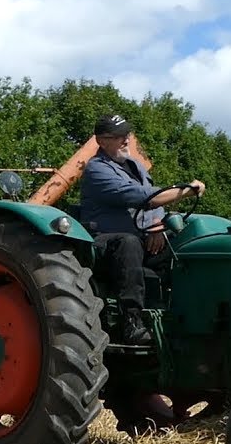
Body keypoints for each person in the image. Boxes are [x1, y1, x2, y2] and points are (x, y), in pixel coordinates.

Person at [79, 114, 204, 344]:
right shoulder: (97, 170)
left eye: (126, 134)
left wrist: (157, 225)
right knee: (128, 243)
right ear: (101, 141)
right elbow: (145, 197)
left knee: (186, 246)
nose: (125, 140)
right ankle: (131, 323)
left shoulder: (135, 166)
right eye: (117, 136)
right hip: (104, 241)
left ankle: (188, 318)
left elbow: (153, 201)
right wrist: (187, 190)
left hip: (141, 236)